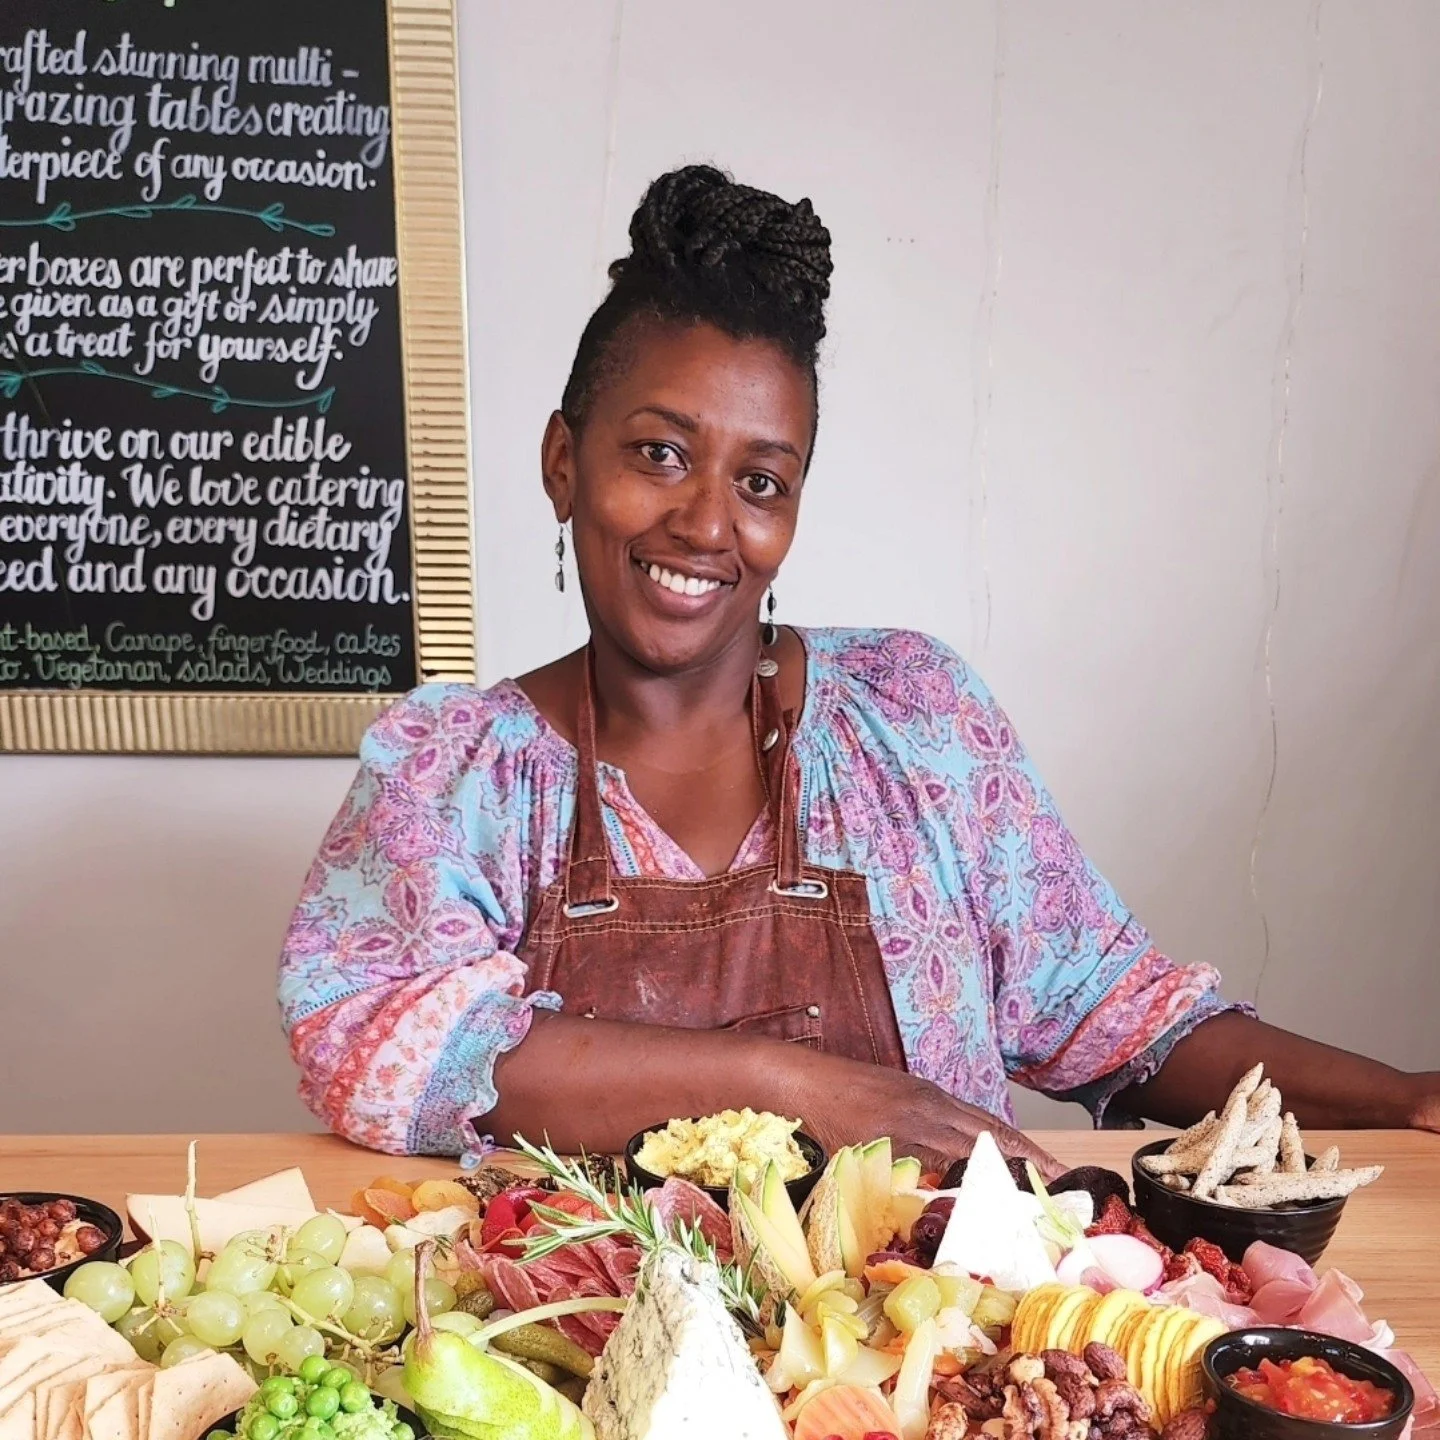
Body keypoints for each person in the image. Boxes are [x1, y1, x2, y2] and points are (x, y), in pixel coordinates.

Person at [279, 165, 1439, 1169]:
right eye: (660, 452)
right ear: (562, 462)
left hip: (934, 1384)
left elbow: (1118, 1018)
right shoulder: (456, 778)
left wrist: (1407, 1101)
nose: (705, 521)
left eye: (762, 480)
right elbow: (379, 1043)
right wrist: (794, 1085)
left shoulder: (914, 720)